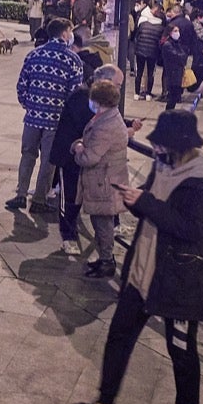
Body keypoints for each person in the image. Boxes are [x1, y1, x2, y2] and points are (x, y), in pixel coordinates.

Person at [64, 109, 203, 404]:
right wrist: (133, 199)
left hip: (179, 281)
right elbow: (151, 203)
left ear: (180, 146)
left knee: (180, 348)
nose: (157, 151)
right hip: (142, 272)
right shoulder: (164, 165)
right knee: (119, 336)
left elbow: (193, 229)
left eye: (162, 146)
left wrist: (147, 203)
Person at [6, 19, 84, 215]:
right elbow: (75, 94)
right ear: (65, 34)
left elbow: (21, 86)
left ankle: (21, 194)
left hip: (32, 118)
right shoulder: (72, 60)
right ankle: (39, 199)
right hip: (55, 120)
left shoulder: (34, 54)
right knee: (48, 161)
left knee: (27, 155)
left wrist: (31, 106)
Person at [72, 78, 131, 277]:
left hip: (103, 182)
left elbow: (90, 158)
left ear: (98, 101)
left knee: (103, 224)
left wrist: (78, 148)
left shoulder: (105, 125)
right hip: (106, 179)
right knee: (101, 223)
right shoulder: (108, 117)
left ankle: (107, 261)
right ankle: (105, 259)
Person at [131, 2, 164, 101]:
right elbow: (160, 41)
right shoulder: (160, 27)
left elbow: (136, 36)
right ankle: (148, 94)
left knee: (139, 73)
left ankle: (136, 93)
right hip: (152, 53)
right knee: (150, 73)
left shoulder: (143, 23)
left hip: (140, 51)